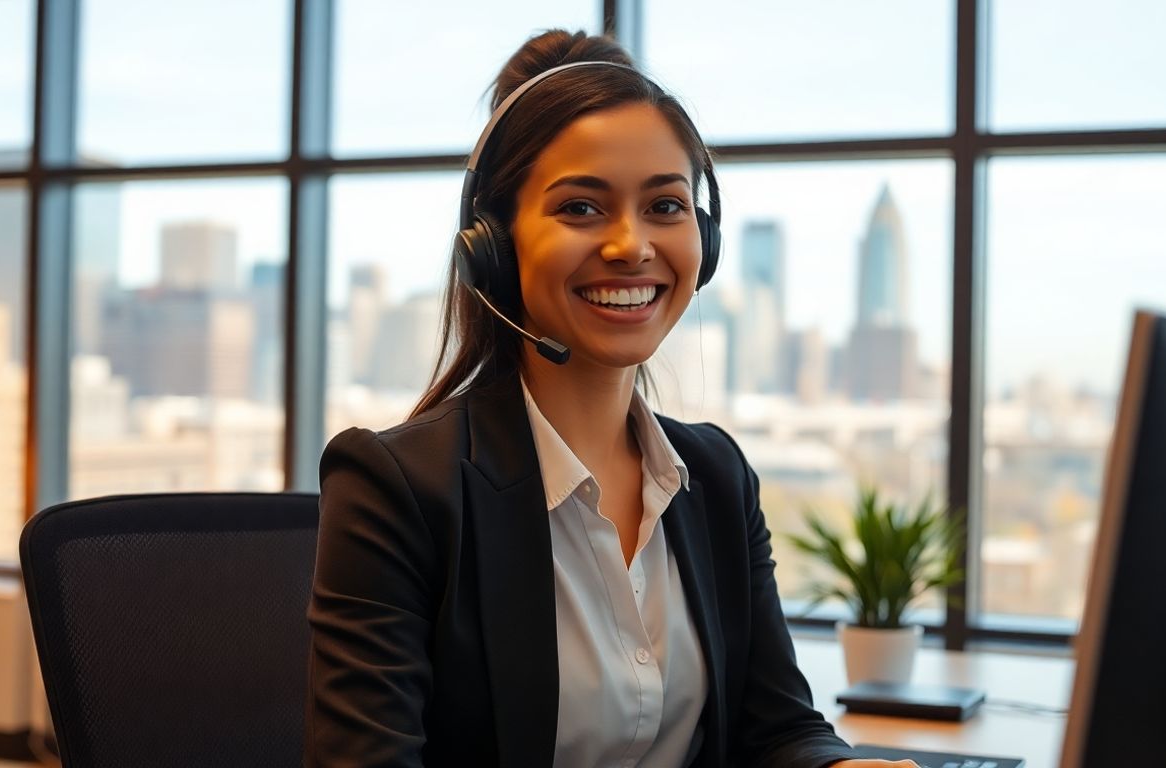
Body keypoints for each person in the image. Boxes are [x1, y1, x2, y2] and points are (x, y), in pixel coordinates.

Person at [307, 29, 918, 768]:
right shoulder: (400, 489)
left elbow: (779, 729)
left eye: (666, 205)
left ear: (706, 239)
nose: (632, 245)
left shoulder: (715, 476)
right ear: (494, 246)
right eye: (581, 209)